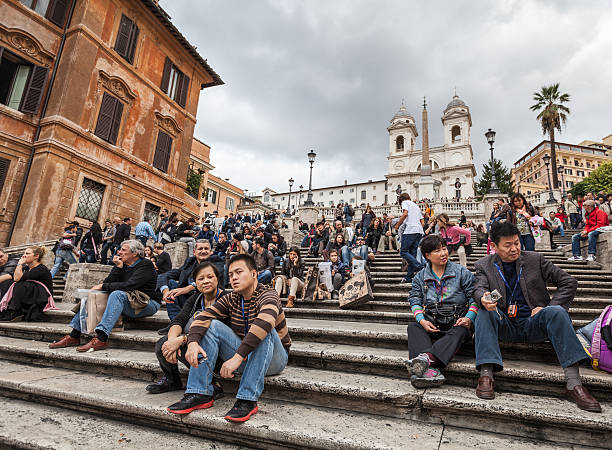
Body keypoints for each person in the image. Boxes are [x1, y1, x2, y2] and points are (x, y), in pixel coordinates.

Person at [473, 221, 600, 412]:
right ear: (495, 246)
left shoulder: (535, 259)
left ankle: (574, 384)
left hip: (534, 324)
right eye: (508, 245)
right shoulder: (484, 265)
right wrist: (483, 298)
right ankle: (486, 375)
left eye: (516, 243)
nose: (514, 248)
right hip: (504, 324)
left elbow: (568, 282)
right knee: (484, 311)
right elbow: (479, 287)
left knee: (557, 312)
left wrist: (548, 307)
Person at [167, 254, 290, 422]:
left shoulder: (268, 294)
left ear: (254, 274)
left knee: (264, 328)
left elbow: (265, 322)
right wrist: (192, 343)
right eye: (231, 274)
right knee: (212, 324)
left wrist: (237, 357)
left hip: (274, 359)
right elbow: (203, 317)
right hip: (247, 356)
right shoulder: (231, 298)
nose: (234, 278)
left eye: (239, 272)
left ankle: (247, 399)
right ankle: (199, 392)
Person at [49, 240, 161, 352]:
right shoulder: (122, 264)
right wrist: (118, 268)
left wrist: (102, 286)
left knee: (117, 294)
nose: (119, 252)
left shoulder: (146, 265)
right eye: (120, 249)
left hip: (146, 303)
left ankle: (102, 338)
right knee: (95, 295)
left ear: (135, 253)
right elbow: (109, 282)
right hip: (128, 302)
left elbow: (129, 285)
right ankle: (74, 335)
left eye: (123, 250)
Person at [405, 235, 478, 388]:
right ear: (427, 255)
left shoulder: (461, 272)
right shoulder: (420, 277)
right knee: (413, 327)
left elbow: (474, 297)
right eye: (437, 251)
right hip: (433, 323)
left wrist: (469, 318)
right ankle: (426, 370)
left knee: (462, 330)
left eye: (444, 249)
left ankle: (425, 360)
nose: (443, 253)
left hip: (457, 323)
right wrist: (422, 320)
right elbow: (415, 300)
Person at [147, 262, 227, 395]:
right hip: (194, 342)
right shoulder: (195, 299)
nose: (206, 281)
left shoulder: (225, 298)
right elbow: (179, 320)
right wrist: (172, 341)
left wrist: (182, 339)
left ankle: (212, 382)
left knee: (198, 341)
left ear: (217, 279)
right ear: (195, 283)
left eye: (210, 277)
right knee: (163, 343)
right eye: (201, 279)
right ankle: (172, 380)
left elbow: (211, 330)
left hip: (219, 351)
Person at [158, 239, 224, 321]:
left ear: (211, 252)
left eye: (206, 249)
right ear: (194, 252)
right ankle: (175, 321)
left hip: (206, 299)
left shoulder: (217, 261)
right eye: (200, 249)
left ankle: (178, 323)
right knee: (171, 283)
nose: (203, 251)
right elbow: (164, 276)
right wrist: (165, 292)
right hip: (187, 300)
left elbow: (210, 281)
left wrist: (186, 289)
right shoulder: (190, 262)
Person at [0, 246, 54, 322]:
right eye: (24, 253)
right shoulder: (27, 268)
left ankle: (15, 311)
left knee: (20, 284)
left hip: (43, 297)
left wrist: (19, 264)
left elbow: (17, 278)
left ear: (36, 256)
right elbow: (10, 275)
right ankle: (4, 310)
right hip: (32, 295)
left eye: (27, 253)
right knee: (7, 282)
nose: (24, 256)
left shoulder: (41, 269)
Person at [394, 193, 425, 284]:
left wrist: (397, 225)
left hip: (410, 230)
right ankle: (409, 276)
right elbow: (422, 222)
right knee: (412, 254)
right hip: (419, 231)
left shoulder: (405, 202)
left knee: (403, 252)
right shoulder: (416, 206)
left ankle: (420, 267)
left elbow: (405, 214)